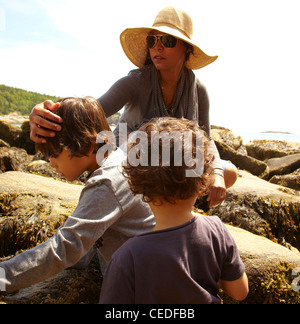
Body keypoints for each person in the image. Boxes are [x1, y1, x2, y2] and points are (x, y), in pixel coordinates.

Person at [29, 6, 237, 209]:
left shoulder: (198, 89)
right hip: (129, 160)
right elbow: (88, 112)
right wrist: (45, 111)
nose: (157, 46)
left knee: (229, 173)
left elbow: (205, 139)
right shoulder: (136, 81)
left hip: (170, 162)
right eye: (152, 40)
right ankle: (165, 205)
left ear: (187, 48)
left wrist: (217, 174)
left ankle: (173, 204)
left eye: (167, 40)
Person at [0, 97, 155, 294]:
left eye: (55, 154)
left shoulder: (107, 183)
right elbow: (88, 237)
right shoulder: (116, 162)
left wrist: (3, 276)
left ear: (87, 144)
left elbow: (65, 249)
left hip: (142, 288)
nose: (51, 164)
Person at [99, 117, 248, 304]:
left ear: (137, 184)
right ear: (202, 180)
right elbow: (240, 292)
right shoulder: (216, 231)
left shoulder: (127, 256)